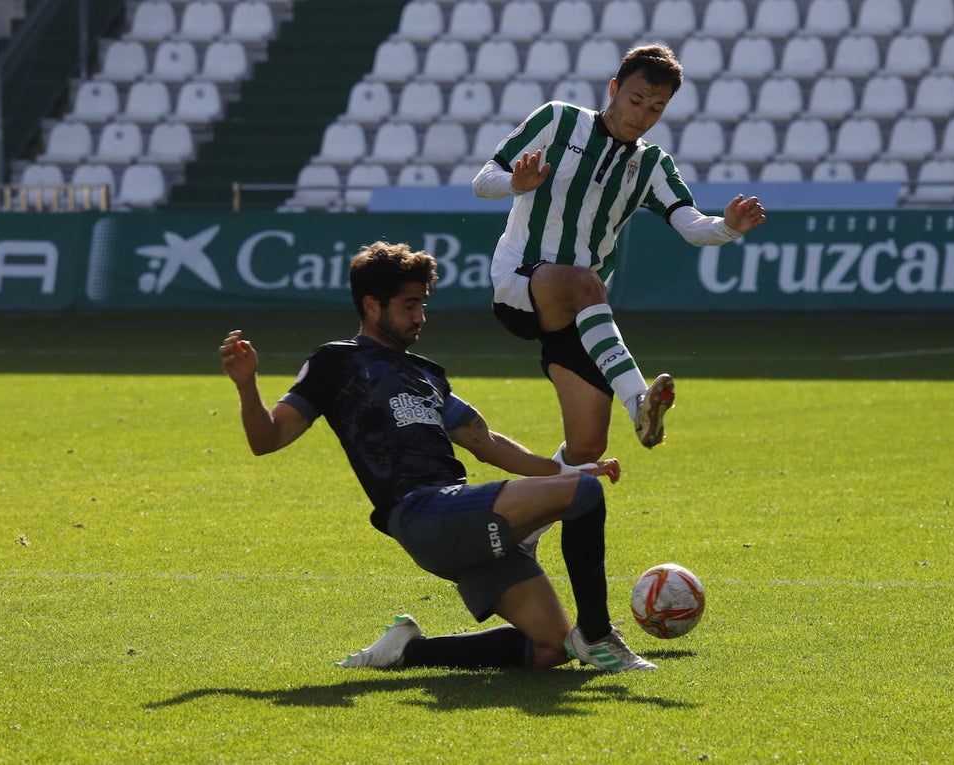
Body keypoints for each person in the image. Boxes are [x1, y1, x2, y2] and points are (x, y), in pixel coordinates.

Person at [219, 241, 655, 672]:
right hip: (424, 512)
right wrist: (246, 385)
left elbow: (486, 442)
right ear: (372, 306)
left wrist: (566, 469)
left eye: (422, 304)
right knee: (583, 495)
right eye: (409, 305)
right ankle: (598, 636)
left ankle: (409, 651)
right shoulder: (336, 362)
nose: (420, 317)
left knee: (550, 649)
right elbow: (268, 439)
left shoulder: (426, 373)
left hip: (458, 515)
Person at [474, 43, 768, 468]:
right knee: (586, 282)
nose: (641, 116)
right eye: (635, 100)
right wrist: (514, 185)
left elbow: (690, 225)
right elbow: (484, 180)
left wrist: (726, 227)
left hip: (579, 315)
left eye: (656, 108)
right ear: (613, 88)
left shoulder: (651, 164)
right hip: (519, 284)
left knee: (588, 448)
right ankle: (639, 403)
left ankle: (527, 532)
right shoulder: (558, 120)